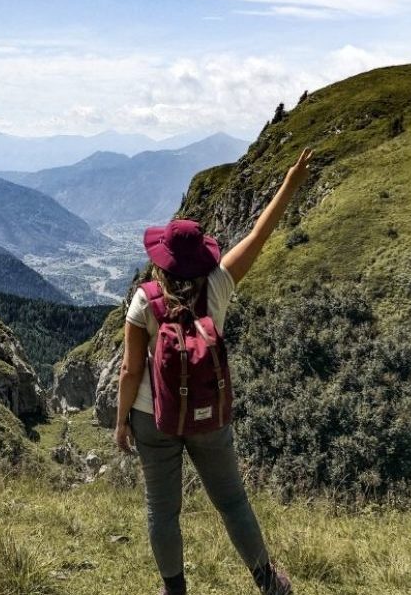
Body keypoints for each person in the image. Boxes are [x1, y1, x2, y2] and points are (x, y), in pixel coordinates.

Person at [114, 147, 314, 595]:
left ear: (161, 258)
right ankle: (268, 582)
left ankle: (175, 590)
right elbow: (260, 233)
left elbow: (130, 370)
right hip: (208, 410)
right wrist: (289, 184)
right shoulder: (219, 284)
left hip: (154, 416)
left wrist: (121, 422)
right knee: (232, 501)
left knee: (162, 510)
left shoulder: (146, 300)